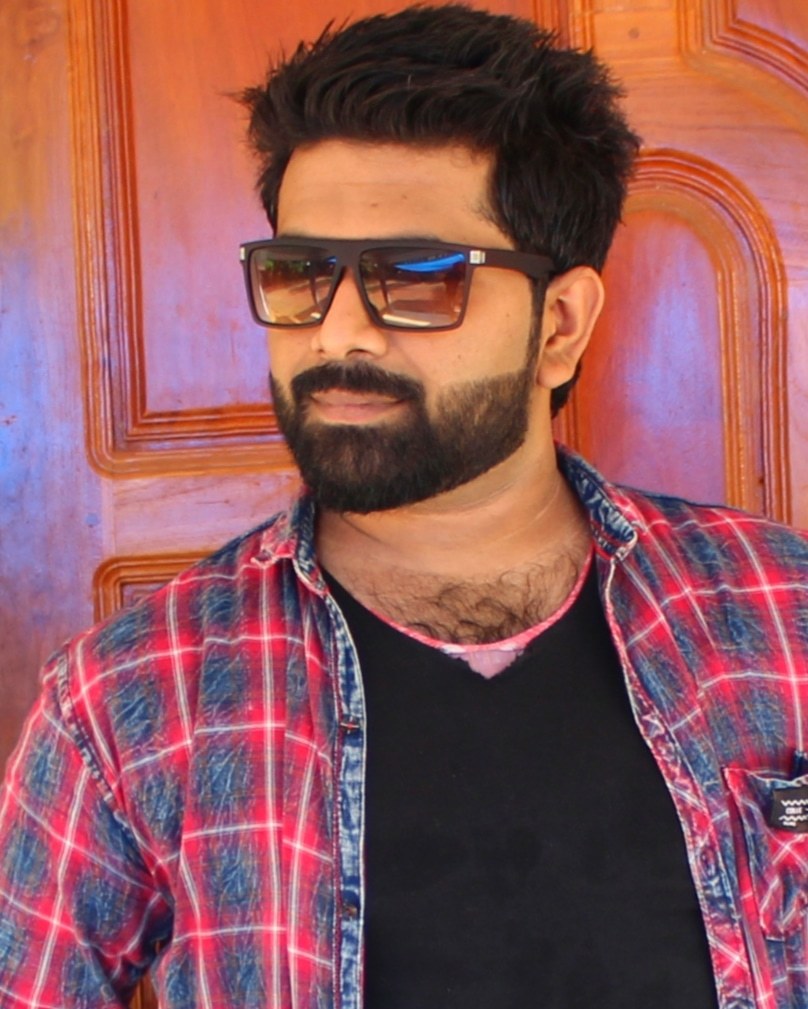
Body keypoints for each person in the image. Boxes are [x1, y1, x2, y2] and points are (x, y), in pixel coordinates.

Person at [0, 4, 806, 1007]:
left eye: (417, 279)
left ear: (559, 325)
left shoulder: (782, 615)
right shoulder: (130, 697)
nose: (338, 335)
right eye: (300, 274)